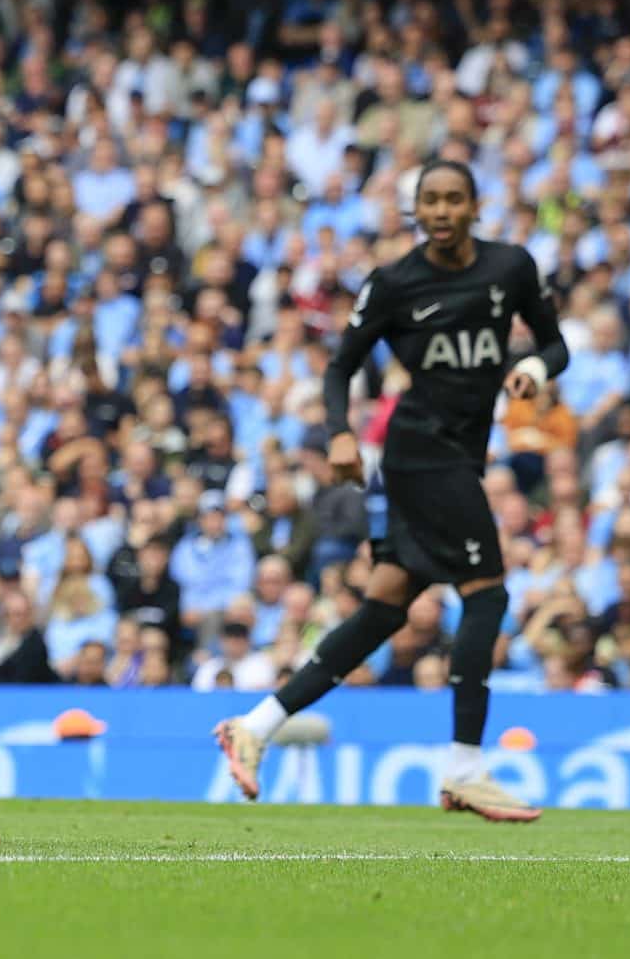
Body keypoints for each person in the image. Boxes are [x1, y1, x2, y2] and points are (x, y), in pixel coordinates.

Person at [213, 159, 569, 823]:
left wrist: (529, 368)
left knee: (383, 611)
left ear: (473, 205)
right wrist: (340, 433)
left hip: (459, 451)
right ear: (416, 210)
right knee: (487, 593)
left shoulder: (510, 268)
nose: (439, 210)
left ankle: (255, 724)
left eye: (452, 199)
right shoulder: (396, 282)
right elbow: (339, 365)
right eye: (428, 200)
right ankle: (464, 763)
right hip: (420, 454)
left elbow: (556, 347)